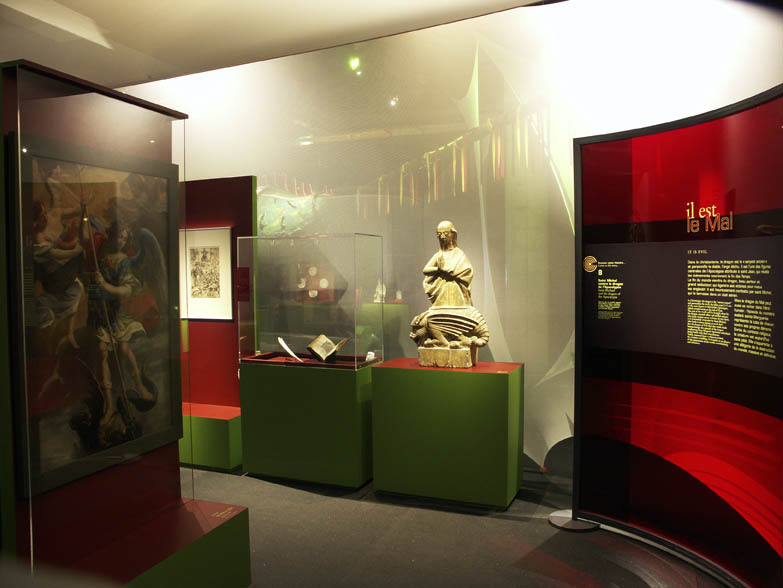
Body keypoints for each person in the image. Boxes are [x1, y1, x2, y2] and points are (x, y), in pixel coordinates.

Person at [86, 221, 153, 426]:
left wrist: (105, 286)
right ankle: (109, 405)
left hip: (118, 313)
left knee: (123, 349)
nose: (121, 241)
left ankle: (139, 386)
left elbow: (126, 290)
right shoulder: (102, 256)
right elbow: (93, 287)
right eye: (118, 236)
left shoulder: (124, 262)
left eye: (124, 238)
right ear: (111, 236)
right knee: (102, 351)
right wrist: (95, 287)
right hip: (102, 311)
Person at [421, 220, 473, 307]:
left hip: (456, 291)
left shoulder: (458, 253)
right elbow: (425, 270)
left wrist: (452, 273)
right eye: (439, 234)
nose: (442, 237)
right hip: (441, 291)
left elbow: (468, 271)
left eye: (445, 233)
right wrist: (439, 269)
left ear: (452, 234)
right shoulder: (439, 255)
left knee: (456, 312)